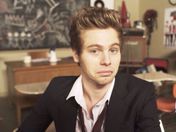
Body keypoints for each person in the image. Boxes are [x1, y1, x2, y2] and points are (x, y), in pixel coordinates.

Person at [17, 7, 160, 132]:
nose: (107, 61)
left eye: (113, 50)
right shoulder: (56, 89)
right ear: (76, 55)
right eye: (94, 51)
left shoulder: (142, 93)